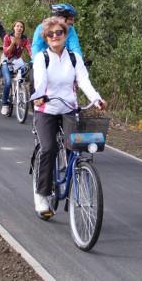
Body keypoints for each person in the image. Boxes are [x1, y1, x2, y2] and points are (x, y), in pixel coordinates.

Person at [30, 17, 107, 215]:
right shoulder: (42, 58)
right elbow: (41, 80)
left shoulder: (74, 58)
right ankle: (42, 195)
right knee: (49, 148)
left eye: (59, 32)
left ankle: (76, 180)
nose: (55, 36)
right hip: (46, 110)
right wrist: (39, 96)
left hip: (68, 109)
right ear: (45, 38)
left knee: (79, 147)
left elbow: (83, 81)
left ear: (65, 34)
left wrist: (96, 99)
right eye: (50, 34)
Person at [0, 20, 32, 115]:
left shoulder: (25, 39)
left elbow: (30, 49)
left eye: (21, 27)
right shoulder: (7, 37)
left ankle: (19, 87)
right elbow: (6, 52)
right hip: (6, 61)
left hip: (17, 61)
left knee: (26, 67)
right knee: (8, 82)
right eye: (17, 26)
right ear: (14, 28)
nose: (19, 28)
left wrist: (34, 58)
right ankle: (5, 104)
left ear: (23, 29)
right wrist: (12, 43)